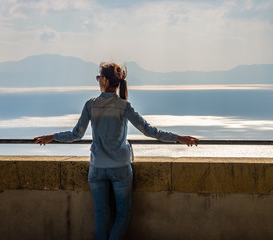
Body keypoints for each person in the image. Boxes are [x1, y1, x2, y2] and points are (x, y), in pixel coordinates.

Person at [34, 62, 199, 240]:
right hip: (120, 167)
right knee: (122, 214)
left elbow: (76, 134)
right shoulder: (123, 106)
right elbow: (149, 131)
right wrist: (179, 138)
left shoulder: (91, 105)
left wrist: (52, 137)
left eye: (98, 78)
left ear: (104, 80)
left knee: (101, 216)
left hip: (97, 168)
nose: (98, 81)